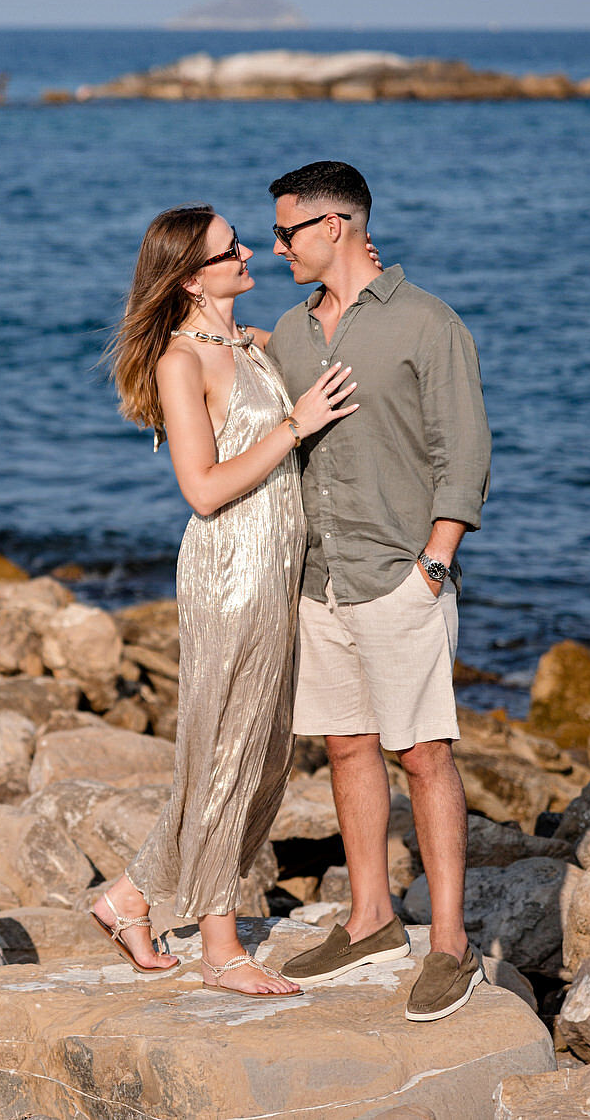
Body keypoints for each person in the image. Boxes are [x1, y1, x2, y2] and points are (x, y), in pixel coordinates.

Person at [94, 203, 362, 996]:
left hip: (279, 567)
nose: (250, 251)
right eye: (230, 249)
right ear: (189, 278)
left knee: (265, 749)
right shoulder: (184, 361)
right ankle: (219, 946)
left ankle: (132, 896)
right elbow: (203, 490)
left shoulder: (254, 342)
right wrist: (295, 425)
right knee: (229, 749)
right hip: (229, 569)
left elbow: (336, 343)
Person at [259, 161, 492, 1022]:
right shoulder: (288, 330)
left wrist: (432, 565)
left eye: (287, 231)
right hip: (319, 580)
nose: (274, 245)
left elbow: (463, 454)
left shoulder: (429, 324)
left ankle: (451, 945)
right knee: (347, 748)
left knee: (424, 752)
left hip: (400, 575)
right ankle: (369, 920)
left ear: (339, 227)